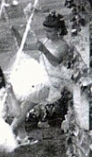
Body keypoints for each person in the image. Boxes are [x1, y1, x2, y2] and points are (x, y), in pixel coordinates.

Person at [8, 12, 71, 141]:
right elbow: (24, 47)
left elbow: (55, 62)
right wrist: (16, 34)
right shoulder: (46, 41)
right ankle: (22, 136)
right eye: (45, 31)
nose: (46, 34)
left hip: (53, 83)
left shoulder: (63, 45)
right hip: (41, 78)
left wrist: (44, 50)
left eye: (49, 31)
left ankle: (8, 133)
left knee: (25, 106)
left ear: (58, 31)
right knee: (19, 100)